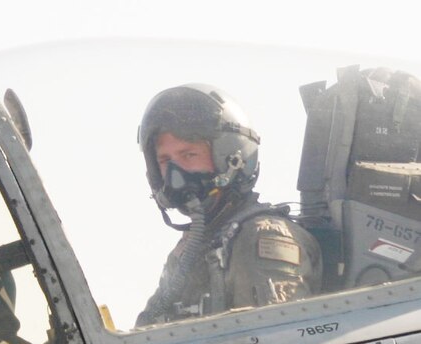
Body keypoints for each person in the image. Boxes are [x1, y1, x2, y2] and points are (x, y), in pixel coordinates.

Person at [135, 84, 322, 326]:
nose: (175, 174)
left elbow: (272, 342)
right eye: (165, 160)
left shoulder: (261, 237)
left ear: (231, 158)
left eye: (189, 155)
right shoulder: (195, 244)